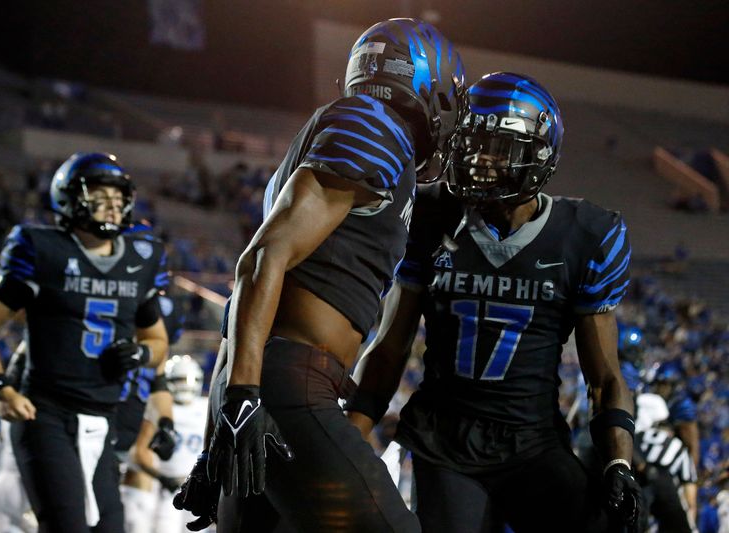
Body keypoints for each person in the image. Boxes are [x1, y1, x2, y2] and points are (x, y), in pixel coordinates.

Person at [175, 17, 465, 533]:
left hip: (262, 378)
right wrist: (243, 398)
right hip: (285, 384)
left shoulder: (353, 131)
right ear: (428, 83)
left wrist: (227, 409)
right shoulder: (375, 126)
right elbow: (263, 258)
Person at [348, 72, 642, 532]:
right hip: (445, 442)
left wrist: (618, 464)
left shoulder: (586, 235)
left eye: (497, 147)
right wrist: (351, 438)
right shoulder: (432, 218)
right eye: (471, 143)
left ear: (538, 153)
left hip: (533, 443)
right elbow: (389, 348)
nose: (478, 159)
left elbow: (604, 377)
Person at [0, 152, 169, 533]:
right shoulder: (43, 250)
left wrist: (141, 353)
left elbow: (157, 341)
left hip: (105, 417)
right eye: (99, 196)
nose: (111, 206)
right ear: (70, 199)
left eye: (118, 197)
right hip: (47, 413)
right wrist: (0, 386)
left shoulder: (142, 259)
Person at [123, 355, 208, 532]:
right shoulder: (162, 410)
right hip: (165, 486)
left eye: (190, 379)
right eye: (179, 380)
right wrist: (163, 478)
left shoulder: (206, 406)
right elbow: (138, 452)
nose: (185, 384)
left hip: (196, 483)